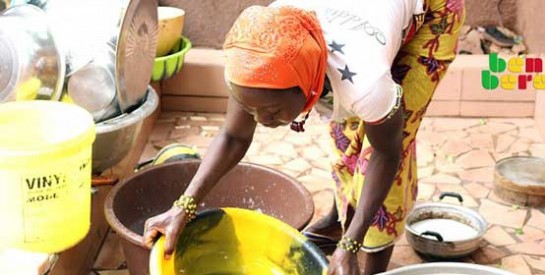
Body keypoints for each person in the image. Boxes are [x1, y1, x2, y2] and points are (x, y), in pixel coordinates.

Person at [143, 0, 465, 273]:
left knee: (382, 143)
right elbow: (233, 137)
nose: (260, 120)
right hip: (360, 25)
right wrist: (183, 208)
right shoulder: (256, 50)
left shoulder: (363, 81)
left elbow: (387, 153)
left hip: (432, 13)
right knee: (345, 138)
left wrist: (351, 247)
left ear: (307, 85)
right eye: (250, 107)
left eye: (270, 110)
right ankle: (341, 220)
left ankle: (370, 258)